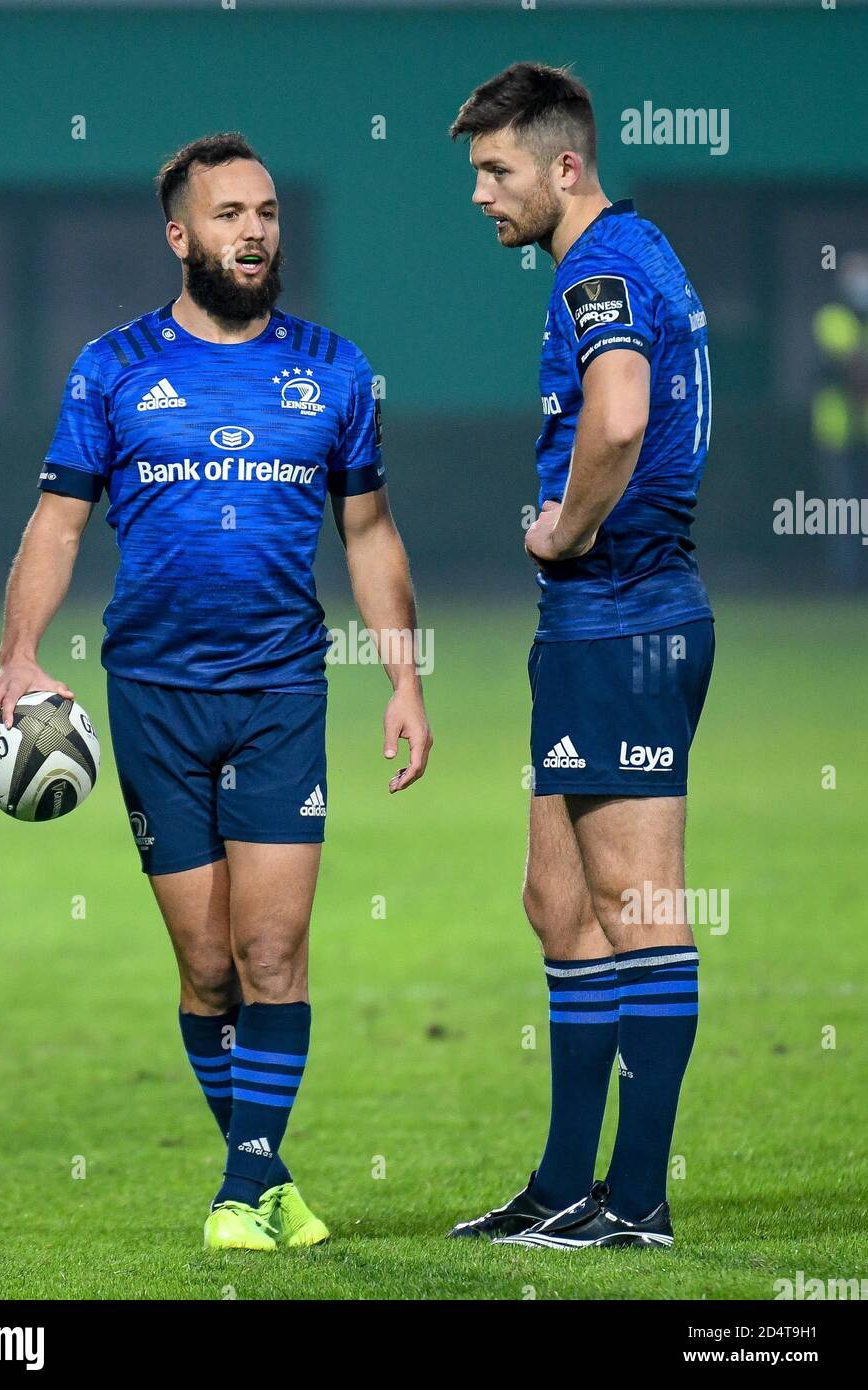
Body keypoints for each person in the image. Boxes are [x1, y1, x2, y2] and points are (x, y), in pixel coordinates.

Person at [0, 132, 432, 1254]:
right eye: (229, 214)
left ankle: (242, 1189)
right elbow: (58, 522)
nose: (256, 231)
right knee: (209, 966)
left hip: (281, 692)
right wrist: (18, 655)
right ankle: (266, 1176)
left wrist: (404, 677)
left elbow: (367, 533)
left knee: (275, 954)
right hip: (155, 699)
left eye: (267, 211)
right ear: (180, 235)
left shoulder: (334, 369)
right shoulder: (113, 368)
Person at [447, 64, 713, 1249]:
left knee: (639, 904)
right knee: (559, 902)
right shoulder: (632, 251)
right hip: (596, 623)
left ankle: (640, 1202)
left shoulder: (599, 268)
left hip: (626, 617)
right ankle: (565, 1184)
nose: (480, 195)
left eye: (496, 171)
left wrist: (564, 525)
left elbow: (618, 414)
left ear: (565, 167)